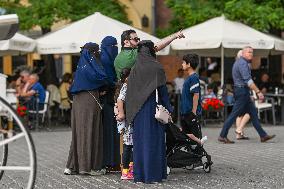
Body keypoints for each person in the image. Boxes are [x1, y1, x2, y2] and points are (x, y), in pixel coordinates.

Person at [125, 40, 173, 183]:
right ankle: (154, 175)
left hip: (138, 112)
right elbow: (163, 91)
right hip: (153, 110)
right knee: (154, 142)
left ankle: (139, 175)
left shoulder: (135, 69)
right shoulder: (156, 67)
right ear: (152, 51)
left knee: (140, 144)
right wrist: (169, 109)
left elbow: (130, 94)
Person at [64, 42, 108, 176]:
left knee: (79, 133)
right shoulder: (90, 66)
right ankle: (88, 167)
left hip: (78, 101)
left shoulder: (81, 66)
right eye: (97, 52)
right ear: (93, 53)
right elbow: (101, 77)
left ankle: (71, 166)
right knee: (90, 131)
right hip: (89, 101)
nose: (98, 54)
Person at [219, 46, 276, 143]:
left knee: (253, 113)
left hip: (242, 91)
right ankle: (222, 135)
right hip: (241, 92)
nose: (251, 54)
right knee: (234, 114)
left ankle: (263, 135)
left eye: (252, 52)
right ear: (243, 53)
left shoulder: (241, 63)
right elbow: (248, 81)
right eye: (249, 52)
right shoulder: (242, 63)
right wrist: (258, 92)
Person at [114, 29, 185, 80]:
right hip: (136, 93)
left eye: (138, 38)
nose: (138, 41)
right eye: (135, 39)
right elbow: (158, 46)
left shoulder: (117, 58)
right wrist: (174, 36)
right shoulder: (137, 52)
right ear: (126, 42)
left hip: (122, 93)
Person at [100, 36, 121, 171]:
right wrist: (116, 84)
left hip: (108, 100)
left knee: (111, 131)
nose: (115, 49)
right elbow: (107, 79)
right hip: (108, 100)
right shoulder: (106, 60)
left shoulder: (104, 58)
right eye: (113, 46)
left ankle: (111, 160)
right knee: (110, 131)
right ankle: (111, 161)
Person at [180, 54, 207, 145]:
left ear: (189, 64)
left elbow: (196, 94)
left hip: (191, 113)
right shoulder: (189, 78)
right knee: (187, 136)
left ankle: (198, 157)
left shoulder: (194, 78)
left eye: (183, 62)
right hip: (185, 112)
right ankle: (191, 157)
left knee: (196, 136)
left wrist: (194, 111)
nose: (182, 64)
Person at [114, 68, 133, 180]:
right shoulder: (126, 87)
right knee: (127, 146)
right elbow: (120, 100)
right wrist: (121, 114)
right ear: (127, 78)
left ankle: (129, 170)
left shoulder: (123, 86)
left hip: (126, 121)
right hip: (127, 121)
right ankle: (125, 171)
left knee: (129, 146)